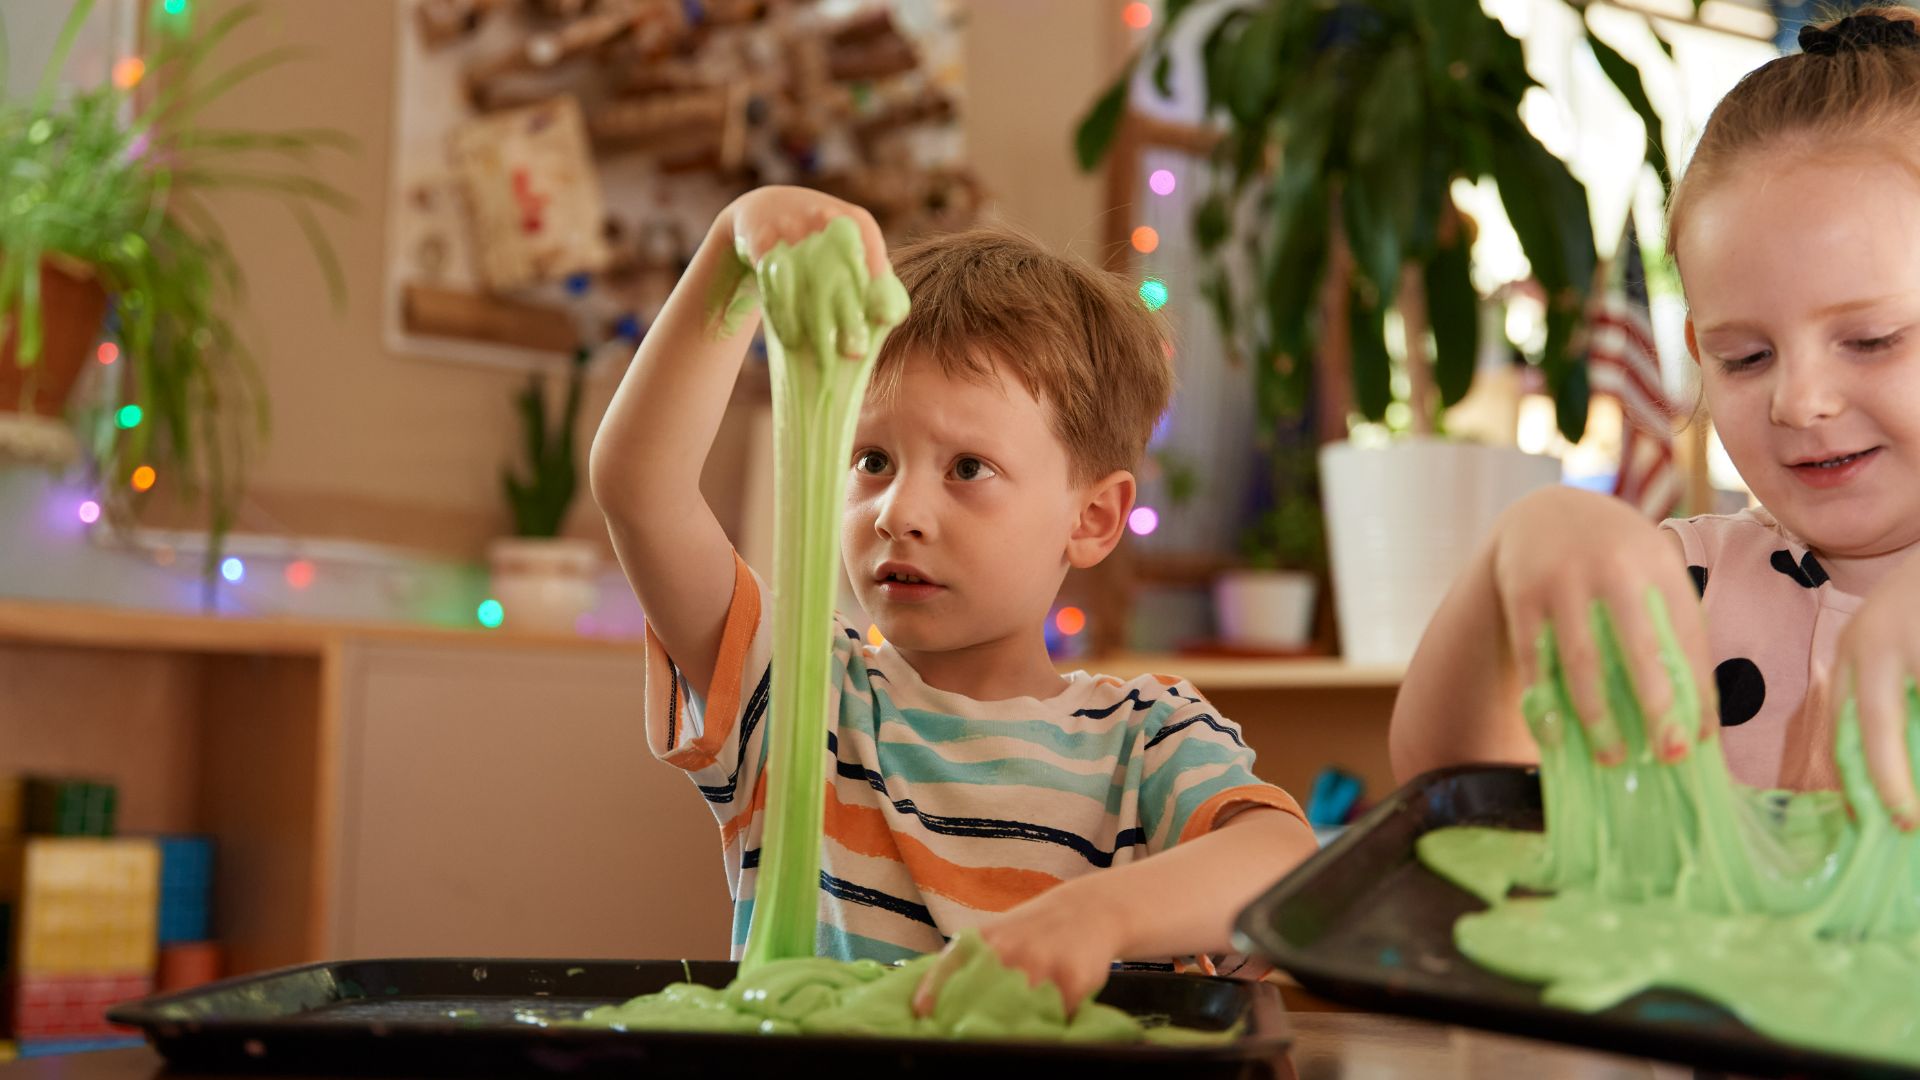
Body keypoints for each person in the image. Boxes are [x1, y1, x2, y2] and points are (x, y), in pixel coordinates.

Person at [590, 185, 1317, 1009]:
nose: (899, 512)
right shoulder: (795, 694)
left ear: (1092, 517)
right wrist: (731, 255)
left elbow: (1285, 860)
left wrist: (1098, 917)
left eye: (967, 468)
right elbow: (639, 486)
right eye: (871, 461)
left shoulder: (1148, 739)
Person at [1391, 8, 1920, 825]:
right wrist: (1508, 558)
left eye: (1872, 340)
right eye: (1744, 357)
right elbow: (1453, 787)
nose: (1798, 400)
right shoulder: (1676, 591)